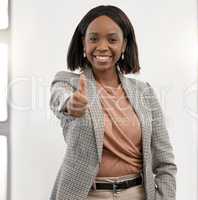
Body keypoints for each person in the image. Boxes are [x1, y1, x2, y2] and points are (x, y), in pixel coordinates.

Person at [49, 5, 177, 200]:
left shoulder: (144, 91)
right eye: (93, 39)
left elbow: (165, 161)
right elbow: (58, 98)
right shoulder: (68, 83)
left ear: (124, 44)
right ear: (83, 42)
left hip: (137, 194)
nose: (102, 47)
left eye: (112, 39)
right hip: (86, 195)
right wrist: (70, 104)